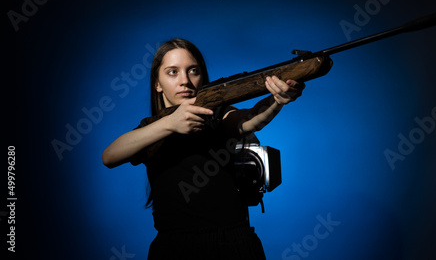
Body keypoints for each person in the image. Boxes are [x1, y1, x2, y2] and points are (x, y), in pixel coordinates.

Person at [102, 38, 305, 259]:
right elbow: (110, 156)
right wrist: (170, 123)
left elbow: (250, 120)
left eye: (193, 71)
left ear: (202, 77)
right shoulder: (151, 129)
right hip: (173, 249)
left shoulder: (217, 114)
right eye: (172, 72)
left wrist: (277, 101)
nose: (185, 81)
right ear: (157, 84)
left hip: (233, 244)